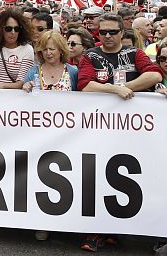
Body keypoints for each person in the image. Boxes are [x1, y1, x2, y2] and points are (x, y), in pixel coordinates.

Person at [77, 17, 162, 252]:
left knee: (132, 177)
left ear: (122, 33)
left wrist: (126, 89)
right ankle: (98, 231)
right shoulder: (90, 55)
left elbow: (155, 75)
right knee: (97, 177)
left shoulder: (134, 54)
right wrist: (115, 89)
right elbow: (85, 85)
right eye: (102, 32)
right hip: (101, 129)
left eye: (113, 31)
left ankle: (127, 229)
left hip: (134, 131)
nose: (107, 36)